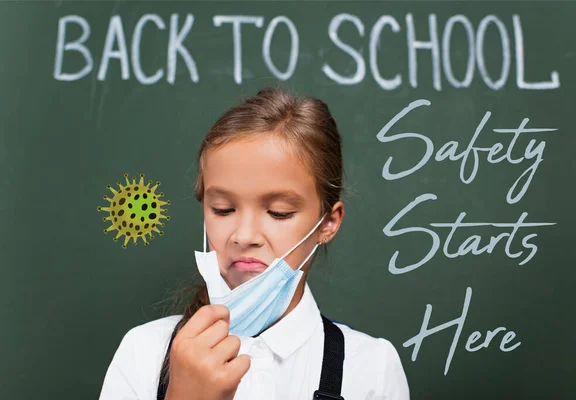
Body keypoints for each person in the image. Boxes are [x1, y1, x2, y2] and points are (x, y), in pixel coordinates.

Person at [99, 87, 410, 400]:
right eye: (222, 209)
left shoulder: (371, 368)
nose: (244, 236)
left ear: (327, 223)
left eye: (279, 213)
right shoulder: (143, 353)